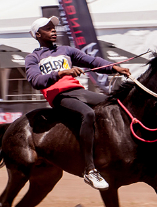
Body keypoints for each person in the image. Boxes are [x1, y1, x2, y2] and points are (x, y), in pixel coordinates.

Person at [25, 16, 131, 190]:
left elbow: (93, 61)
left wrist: (114, 68)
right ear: (38, 34)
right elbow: (36, 81)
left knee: (116, 104)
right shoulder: (33, 57)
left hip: (78, 91)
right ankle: (90, 170)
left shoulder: (66, 50)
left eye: (54, 27)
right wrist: (61, 73)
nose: (53, 30)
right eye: (48, 28)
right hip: (59, 96)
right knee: (87, 114)